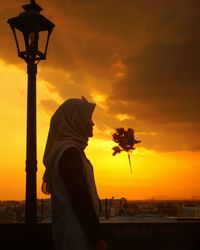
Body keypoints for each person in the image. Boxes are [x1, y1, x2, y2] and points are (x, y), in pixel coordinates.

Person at [41, 96, 108, 250]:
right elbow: (80, 198)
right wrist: (96, 238)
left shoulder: (70, 151)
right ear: (75, 121)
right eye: (88, 118)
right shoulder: (69, 153)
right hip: (76, 239)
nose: (92, 123)